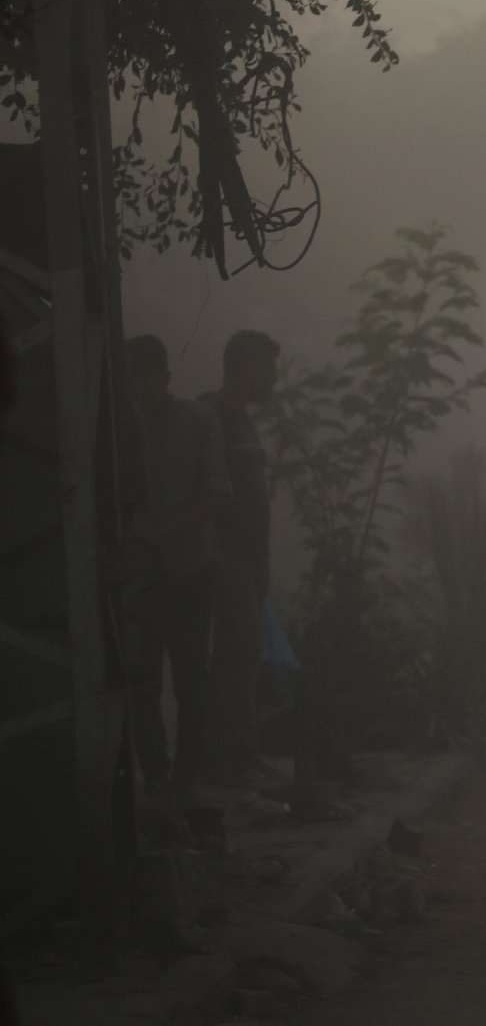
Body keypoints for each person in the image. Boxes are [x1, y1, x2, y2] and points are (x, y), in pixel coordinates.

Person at [125, 335, 231, 797]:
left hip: (188, 571)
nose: (137, 392)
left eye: (143, 380)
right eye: (129, 383)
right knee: (142, 681)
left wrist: (161, 531)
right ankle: (156, 779)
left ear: (164, 377)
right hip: (139, 578)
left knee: (191, 681)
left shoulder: (197, 419)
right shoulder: (117, 426)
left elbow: (219, 493)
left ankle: (186, 781)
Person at [197, 329, 280, 785]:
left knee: (237, 654)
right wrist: (217, 551)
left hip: (249, 560)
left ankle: (221, 756)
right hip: (226, 562)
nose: (274, 377)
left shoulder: (242, 417)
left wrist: (261, 559)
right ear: (245, 367)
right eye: (268, 367)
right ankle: (237, 757)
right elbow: (201, 485)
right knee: (240, 650)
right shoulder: (209, 414)